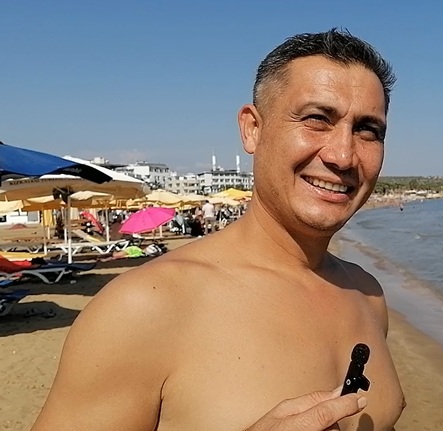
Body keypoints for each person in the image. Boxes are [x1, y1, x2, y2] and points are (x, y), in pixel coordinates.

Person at [32, 29, 404, 430]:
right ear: (252, 129)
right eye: (317, 119)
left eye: (368, 130)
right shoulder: (146, 307)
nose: (343, 155)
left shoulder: (367, 295)